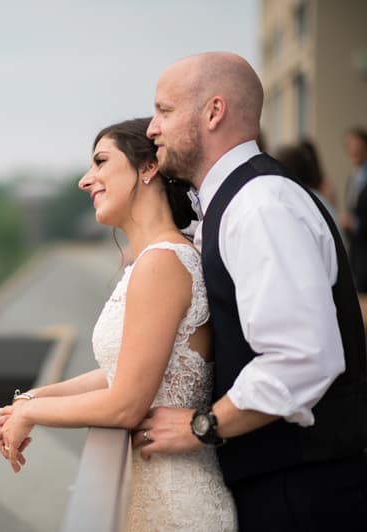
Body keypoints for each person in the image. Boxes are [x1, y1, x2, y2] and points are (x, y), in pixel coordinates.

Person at [137, 52, 367, 531]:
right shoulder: (239, 202)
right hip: (287, 482)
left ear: (214, 112)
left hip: (303, 492)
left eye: (164, 110)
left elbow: (302, 355)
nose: (152, 129)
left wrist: (204, 425)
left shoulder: (260, 205)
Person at [0, 118, 236, 531]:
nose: (87, 181)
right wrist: (28, 400)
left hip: (175, 506)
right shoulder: (155, 261)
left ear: (147, 168)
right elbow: (120, 372)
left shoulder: (163, 263)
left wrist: (36, 414)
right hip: (153, 494)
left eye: (101, 162)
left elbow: (126, 403)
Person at [341, 127, 367, 291]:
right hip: (357, 249)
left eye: (357, 146)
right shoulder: (354, 176)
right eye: (349, 147)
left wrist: (355, 224)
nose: (353, 151)